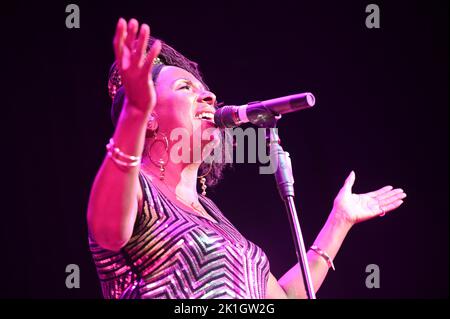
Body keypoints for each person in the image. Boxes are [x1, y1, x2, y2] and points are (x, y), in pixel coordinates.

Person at [87, 18, 407, 299]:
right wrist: (135, 112)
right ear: (151, 116)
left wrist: (339, 221)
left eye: (205, 90)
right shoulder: (138, 188)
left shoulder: (211, 212)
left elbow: (284, 297)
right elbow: (108, 230)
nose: (209, 96)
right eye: (186, 87)